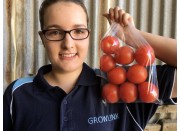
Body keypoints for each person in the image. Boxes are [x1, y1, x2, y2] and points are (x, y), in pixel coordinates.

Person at [3, 0, 177, 131]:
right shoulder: (17, 94)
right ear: (42, 38)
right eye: (55, 32)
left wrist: (134, 36)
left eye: (78, 31)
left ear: (88, 35)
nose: (68, 44)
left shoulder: (123, 86)